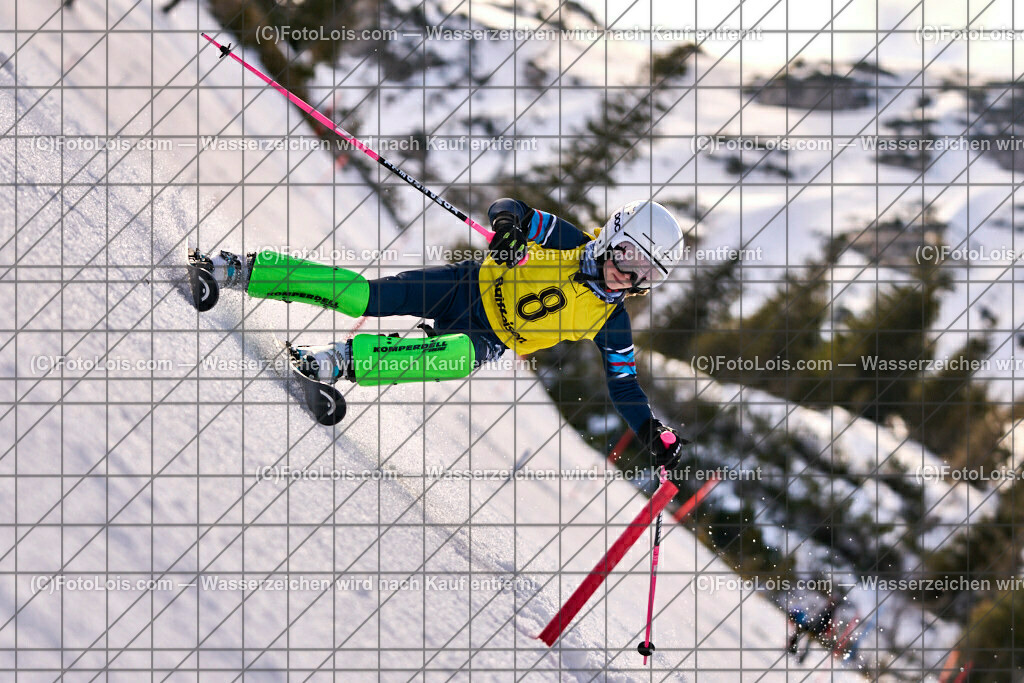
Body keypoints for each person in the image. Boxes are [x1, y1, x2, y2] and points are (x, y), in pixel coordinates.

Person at [190, 198, 688, 468]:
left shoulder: (612, 321)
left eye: (648, 274)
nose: (631, 276)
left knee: (449, 358)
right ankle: (242, 269)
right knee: (364, 297)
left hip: (490, 336)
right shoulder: (568, 239)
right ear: (613, 237)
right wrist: (511, 229)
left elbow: (624, 384)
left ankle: (336, 362)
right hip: (464, 287)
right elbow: (508, 208)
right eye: (630, 257)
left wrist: (651, 433)